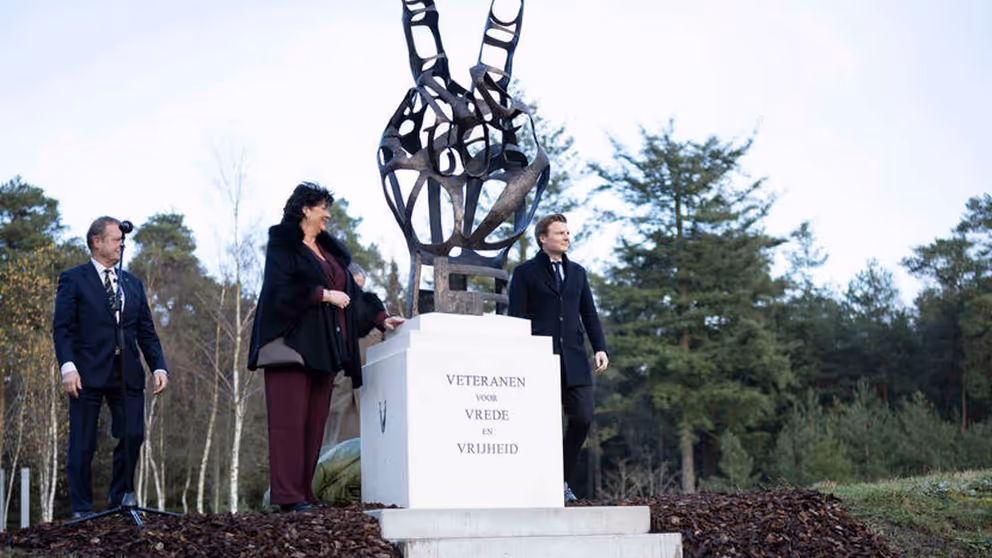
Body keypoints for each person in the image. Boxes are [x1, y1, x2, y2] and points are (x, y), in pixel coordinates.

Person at [248, 182, 404, 512]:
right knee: (288, 425)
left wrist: (380, 318)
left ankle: (305, 494)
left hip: (323, 348)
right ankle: (287, 497)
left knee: (313, 426)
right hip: (290, 346)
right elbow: (278, 291)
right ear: (305, 208)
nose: (328, 215)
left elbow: (352, 296)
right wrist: (322, 295)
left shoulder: (329, 253)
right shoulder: (283, 245)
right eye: (323, 207)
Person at [53, 216, 170, 519]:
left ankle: (120, 501)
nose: (122, 244)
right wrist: (68, 367)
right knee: (82, 443)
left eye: (122, 239)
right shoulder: (73, 279)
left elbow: (146, 330)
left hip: (127, 371)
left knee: (133, 435)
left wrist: (159, 366)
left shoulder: (132, 283)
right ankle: (82, 510)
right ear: (97, 242)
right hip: (86, 371)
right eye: (116, 239)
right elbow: (62, 328)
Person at [508, 213, 609, 502]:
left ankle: (561, 478)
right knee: (544, 427)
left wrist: (600, 347)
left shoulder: (577, 273)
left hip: (575, 360)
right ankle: (540, 486)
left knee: (583, 417)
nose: (567, 237)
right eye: (560, 233)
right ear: (543, 239)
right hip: (540, 361)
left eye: (568, 232)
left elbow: (588, 313)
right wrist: (520, 357)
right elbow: (516, 318)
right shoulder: (525, 273)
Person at [321, 262, 388, 447]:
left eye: (360, 286)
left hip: (369, 388)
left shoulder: (373, 314)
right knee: (336, 443)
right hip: (339, 388)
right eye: (353, 285)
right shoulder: (328, 312)